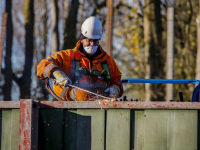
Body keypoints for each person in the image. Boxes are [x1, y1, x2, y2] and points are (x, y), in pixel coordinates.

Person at [37, 16, 123, 101]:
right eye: (89, 40)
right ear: (82, 38)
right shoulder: (67, 57)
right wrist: (57, 74)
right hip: (71, 108)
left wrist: (115, 89)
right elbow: (42, 66)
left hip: (102, 108)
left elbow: (118, 83)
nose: (92, 44)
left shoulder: (107, 61)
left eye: (95, 40)